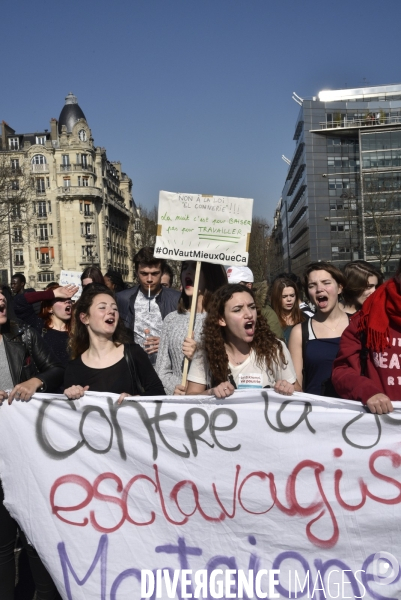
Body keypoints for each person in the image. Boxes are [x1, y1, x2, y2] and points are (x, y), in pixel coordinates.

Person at [0, 291, 64, 600]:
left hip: (24, 446)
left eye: (1, 296)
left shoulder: (24, 333)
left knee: (33, 536)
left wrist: (34, 382)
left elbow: (55, 369)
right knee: (2, 543)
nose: (0, 300)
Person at [186, 283, 300, 398]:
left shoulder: (274, 349)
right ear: (221, 319)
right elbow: (190, 397)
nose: (249, 314)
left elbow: (300, 395)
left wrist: (288, 389)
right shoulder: (206, 352)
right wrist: (212, 392)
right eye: (238, 310)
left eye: (252, 307)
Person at [64, 285, 165, 400]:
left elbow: (159, 394)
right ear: (85, 318)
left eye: (115, 309)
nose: (111, 311)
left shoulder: (133, 353)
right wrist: (70, 394)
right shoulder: (74, 368)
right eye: (102, 307)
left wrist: (135, 399)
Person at [332, 259, 401, 414]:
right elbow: (342, 371)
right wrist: (367, 391)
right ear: (398, 275)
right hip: (381, 424)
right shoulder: (363, 321)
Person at [156, 261, 227, 395]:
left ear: (210, 275)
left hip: (211, 401)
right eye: (184, 267)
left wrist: (199, 356)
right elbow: (161, 370)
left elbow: (227, 366)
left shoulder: (222, 320)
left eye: (195, 267)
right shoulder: (171, 319)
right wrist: (175, 388)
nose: (187, 272)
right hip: (179, 403)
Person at [288, 262, 349, 396]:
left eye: (326, 283)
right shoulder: (300, 332)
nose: (319, 289)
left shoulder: (358, 323)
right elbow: (296, 387)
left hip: (355, 412)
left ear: (339, 287)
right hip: (317, 412)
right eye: (312, 285)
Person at [117, 247, 180, 365]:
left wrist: (167, 344)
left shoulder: (177, 300)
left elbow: (189, 336)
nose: (149, 279)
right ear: (136, 272)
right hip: (134, 368)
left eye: (155, 273)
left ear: (162, 273)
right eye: (144, 274)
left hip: (167, 368)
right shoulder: (122, 299)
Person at [13, 283, 78, 366]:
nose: (68, 301)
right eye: (61, 299)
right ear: (50, 308)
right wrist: (52, 294)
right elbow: (19, 302)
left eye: (69, 299)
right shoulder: (38, 325)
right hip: (45, 378)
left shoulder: (77, 330)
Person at [226, 265, 284, 339]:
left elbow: (276, 346)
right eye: (227, 285)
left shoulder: (266, 313)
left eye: (235, 286)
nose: (229, 290)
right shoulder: (220, 309)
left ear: (249, 286)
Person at [270, 277, 306, 345]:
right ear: (276, 297)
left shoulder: (304, 318)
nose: (289, 299)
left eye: (292, 295)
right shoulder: (271, 320)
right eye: (284, 296)